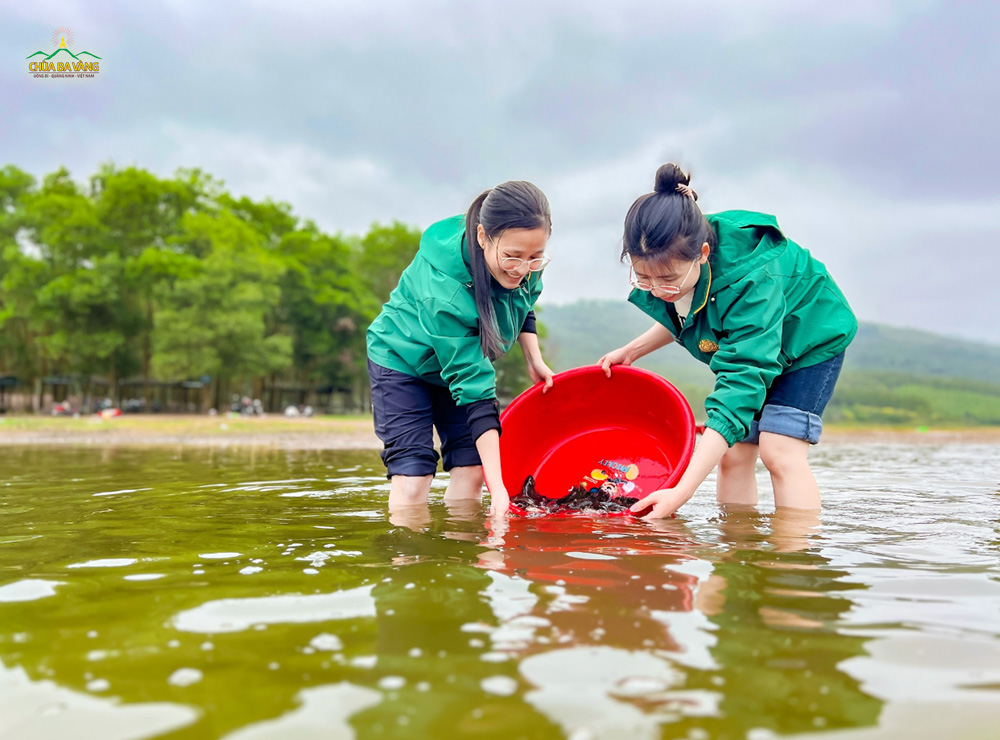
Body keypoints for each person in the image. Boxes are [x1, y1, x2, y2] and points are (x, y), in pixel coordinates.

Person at [600, 164, 857, 519]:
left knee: (779, 450)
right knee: (733, 452)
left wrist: (681, 491)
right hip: (756, 343)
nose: (659, 291)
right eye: (644, 278)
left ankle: (795, 563)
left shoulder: (751, 282)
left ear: (702, 254)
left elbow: (742, 381)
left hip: (810, 338)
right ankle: (736, 553)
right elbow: (687, 315)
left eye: (668, 280)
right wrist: (631, 351)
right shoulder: (673, 255)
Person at [367, 181, 555, 517]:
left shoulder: (524, 261)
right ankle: (408, 562)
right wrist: (501, 494)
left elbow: (524, 302)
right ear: (483, 237)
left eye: (535, 258)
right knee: (414, 477)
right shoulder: (446, 293)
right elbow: (476, 391)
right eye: (512, 257)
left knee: (471, 474)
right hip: (403, 361)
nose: (524, 269)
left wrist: (533, 357)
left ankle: (462, 561)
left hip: (452, 367)